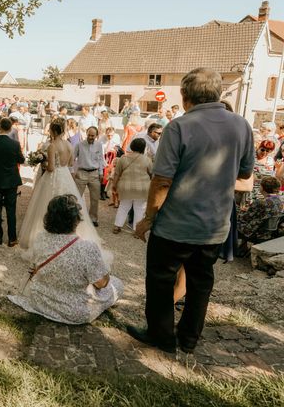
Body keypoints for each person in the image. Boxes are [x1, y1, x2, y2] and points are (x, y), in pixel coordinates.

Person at [128, 67, 254, 355]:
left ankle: (162, 336)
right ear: (218, 93)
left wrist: (148, 219)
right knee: (200, 283)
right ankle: (189, 338)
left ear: (185, 96)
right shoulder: (242, 125)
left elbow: (162, 180)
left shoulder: (179, 126)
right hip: (214, 225)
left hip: (175, 225)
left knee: (161, 281)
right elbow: (245, 173)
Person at [9, 194, 122, 324]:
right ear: (76, 220)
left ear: (49, 218)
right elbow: (101, 284)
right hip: (73, 311)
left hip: (40, 301)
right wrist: (105, 270)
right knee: (117, 284)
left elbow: (35, 268)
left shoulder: (40, 238)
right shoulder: (87, 247)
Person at [21, 118, 102, 258]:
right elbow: (71, 162)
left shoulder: (53, 145)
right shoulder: (69, 144)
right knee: (67, 205)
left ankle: (47, 238)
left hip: (53, 177)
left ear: (53, 130)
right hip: (65, 176)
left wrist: (44, 162)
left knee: (45, 206)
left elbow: (51, 168)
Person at [0, 117, 25, 246]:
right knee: (11, 210)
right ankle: (12, 238)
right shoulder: (15, 144)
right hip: (11, 180)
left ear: (0, 127)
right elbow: (21, 160)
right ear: (10, 128)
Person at [111, 138, 153, 234]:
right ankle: (137, 231)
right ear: (143, 148)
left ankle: (117, 226)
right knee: (139, 209)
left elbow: (117, 174)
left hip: (126, 187)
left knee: (123, 206)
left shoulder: (123, 158)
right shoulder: (147, 160)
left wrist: (114, 185)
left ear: (132, 146)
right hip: (142, 188)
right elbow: (151, 174)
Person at [73, 126, 105, 227]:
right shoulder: (79, 145)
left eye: (93, 135)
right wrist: (74, 172)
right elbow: (73, 159)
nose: (91, 137)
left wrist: (101, 173)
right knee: (76, 197)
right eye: (89, 135)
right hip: (81, 173)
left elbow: (100, 159)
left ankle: (93, 218)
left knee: (95, 198)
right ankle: (74, 217)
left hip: (94, 174)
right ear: (86, 133)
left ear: (96, 135)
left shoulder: (99, 145)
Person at [238, 176, 284, 246]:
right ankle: (242, 249)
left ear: (262, 188)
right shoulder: (279, 201)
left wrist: (239, 211)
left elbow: (245, 218)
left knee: (233, 221)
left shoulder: (260, 202)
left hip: (255, 233)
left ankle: (229, 251)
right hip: (268, 233)